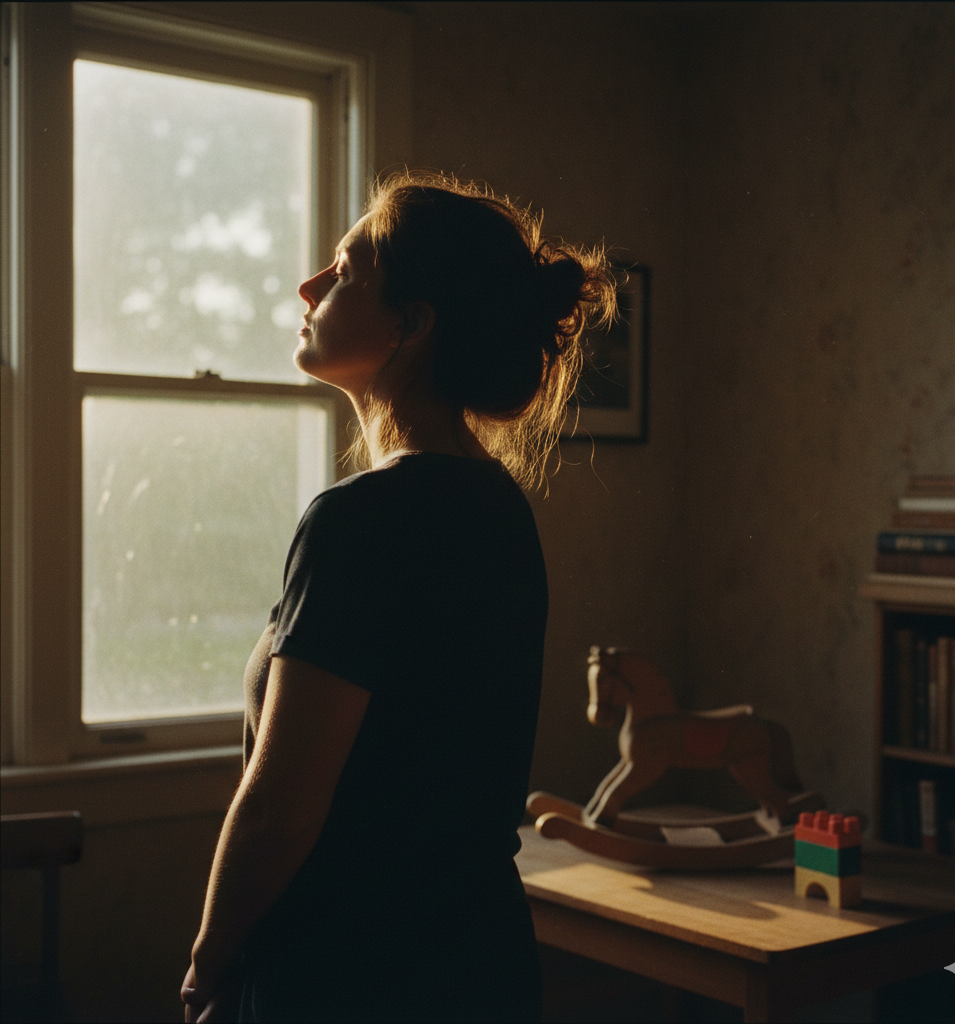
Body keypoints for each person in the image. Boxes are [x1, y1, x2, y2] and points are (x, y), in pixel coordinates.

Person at [180, 172, 617, 1022]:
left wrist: (208, 959)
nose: (310, 287)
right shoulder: (501, 513)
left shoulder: (357, 522)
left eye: (344, 270)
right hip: (478, 962)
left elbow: (278, 810)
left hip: (350, 971)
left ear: (411, 324)